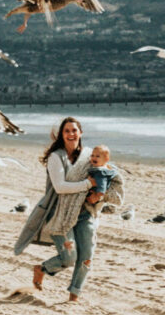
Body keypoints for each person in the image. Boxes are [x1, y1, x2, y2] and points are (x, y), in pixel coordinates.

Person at [14, 117, 124, 302]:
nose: (71, 134)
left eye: (74, 130)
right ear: (61, 135)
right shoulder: (56, 157)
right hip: (60, 214)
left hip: (86, 213)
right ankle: (42, 269)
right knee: (70, 257)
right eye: (67, 131)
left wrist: (101, 194)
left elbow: (108, 173)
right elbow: (60, 187)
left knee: (87, 256)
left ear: (80, 133)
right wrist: (88, 183)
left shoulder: (91, 156)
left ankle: (74, 296)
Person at [85, 145, 118, 216]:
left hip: (97, 192)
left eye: (97, 156)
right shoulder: (107, 168)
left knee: (94, 206)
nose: (94, 158)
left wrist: (99, 194)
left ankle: (95, 213)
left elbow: (102, 182)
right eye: (92, 155)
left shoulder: (100, 172)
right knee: (99, 206)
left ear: (106, 159)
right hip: (100, 191)